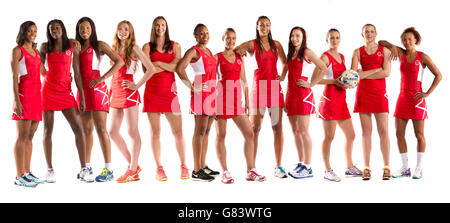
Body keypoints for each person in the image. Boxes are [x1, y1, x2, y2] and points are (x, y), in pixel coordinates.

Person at [379, 27, 442, 179]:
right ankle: (405, 168)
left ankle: (419, 168)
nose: (407, 42)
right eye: (404, 39)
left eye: (410, 39)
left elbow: (438, 75)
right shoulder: (401, 53)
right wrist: (393, 46)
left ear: (416, 40)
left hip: (416, 100)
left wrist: (426, 93)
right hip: (402, 99)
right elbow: (381, 42)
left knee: (419, 135)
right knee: (399, 134)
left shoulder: (423, 57)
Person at [39, 19, 92, 183]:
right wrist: (48, 75)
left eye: (57, 27)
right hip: (48, 91)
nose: (54, 30)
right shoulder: (44, 47)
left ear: (62, 28)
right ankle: (50, 170)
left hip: (66, 92)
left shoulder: (72, 45)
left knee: (79, 129)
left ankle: (84, 169)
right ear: (49, 31)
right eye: (51, 29)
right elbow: (40, 69)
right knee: (48, 131)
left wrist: (81, 96)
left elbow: (76, 73)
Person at [235, 16, 288, 178]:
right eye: (261, 25)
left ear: (270, 27)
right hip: (259, 88)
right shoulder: (253, 44)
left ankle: (278, 166)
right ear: (257, 27)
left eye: (267, 25)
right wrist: (241, 52)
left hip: (274, 87)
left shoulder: (276, 44)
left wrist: (282, 77)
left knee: (277, 128)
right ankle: (251, 168)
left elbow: (285, 63)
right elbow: (237, 49)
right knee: (254, 129)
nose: (264, 27)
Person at [75, 17, 124, 182]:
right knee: (86, 131)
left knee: (101, 129)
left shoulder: (99, 45)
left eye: (87, 27)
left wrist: (102, 78)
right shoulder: (76, 47)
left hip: (97, 91)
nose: (84, 31)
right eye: (81, 28)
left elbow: (119, 61)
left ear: (92, 28)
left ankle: (108, 169)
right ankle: (87, 167)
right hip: (82, 92)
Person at [214, 28, 266, 184]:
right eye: (228, 38)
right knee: (221, 135)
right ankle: (225, 172)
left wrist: (248, 101)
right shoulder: (217, 57)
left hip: (237, 102)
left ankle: (250, 170)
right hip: (221, 101)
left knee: (249, 133)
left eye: (233, 38)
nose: (230, 41)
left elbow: (244, 80)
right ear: (223, 38)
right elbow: (209, 79)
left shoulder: (239, 57)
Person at [142, 16, 189, 181]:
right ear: (153, 28)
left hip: (170, 93)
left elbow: (177, 67)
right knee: (155, 132)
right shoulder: (146, 47)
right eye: (157, 25)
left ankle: (184, 165)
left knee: (178, 132)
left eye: (162, 25)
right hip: (152, 92)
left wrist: (158, 64)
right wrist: (166, 65)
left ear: (166, 27)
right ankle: (159, 168)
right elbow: (147, 70)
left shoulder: (176, 46)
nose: (160, 28)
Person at [109, 20, 156, 183]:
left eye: (126, 29)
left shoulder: (134, 48)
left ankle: (132, 169)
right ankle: (133, 165)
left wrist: (136, 85)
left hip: (129, 91)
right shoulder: (114, 48)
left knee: (132, 131)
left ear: (130, 32)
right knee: (113, 132)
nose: (123, 31)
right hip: (115, 91)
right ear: (116, 31)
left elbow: (151, 68)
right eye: (120, 29)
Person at [279, 26, 328, 179]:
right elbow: (286, 73)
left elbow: (323, 67)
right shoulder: (290, 53)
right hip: (291, 95)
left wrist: (311, 83)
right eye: (292, 35)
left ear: (303, 37)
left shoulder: (306, 52)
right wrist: (280, 79)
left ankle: (308, 166)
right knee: (295, 131)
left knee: (303, 130)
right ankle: (301, 163)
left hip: (303, 95)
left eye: (298, 35)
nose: (295, 38)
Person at [316, 29, 363, 182]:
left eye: (337, 38)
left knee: (351, 135)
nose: (334, 40)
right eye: (331, 38)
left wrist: (350, 82)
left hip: (341, 101)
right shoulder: (325, 57)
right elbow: (315, 79)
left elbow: (344, 78)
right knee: (329, 137)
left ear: (340, 39)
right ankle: (327, 170)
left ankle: (349, 167)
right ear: (326, 40)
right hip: (329, 101)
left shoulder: (342, 57)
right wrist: (334, 82)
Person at [176, 24, 219, 182]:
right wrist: (192, 87)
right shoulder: (194, 51)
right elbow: (180, 68)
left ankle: (202, 165)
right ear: (195, 36)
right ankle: (196, 170)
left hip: (212, 94)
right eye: (201, 33)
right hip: (201, 93)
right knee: (199, 131)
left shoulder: (209, 51)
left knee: (207, 131)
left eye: (207, 33)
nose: (205, 36)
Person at [351, 24, 392, 180]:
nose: (369, 34)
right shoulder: (357, 52)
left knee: (384, 132)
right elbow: (353, 77)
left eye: (371, 31)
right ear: (362, 34)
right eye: (366, 32)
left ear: (376, 33)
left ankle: (387, 167)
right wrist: (376, 70)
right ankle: (366, 167)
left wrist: (364, 74)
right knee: (366, 132)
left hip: (380, 93)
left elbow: (386, 72)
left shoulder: (385, 50)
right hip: (363, 94)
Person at [11, 21, 46, 187]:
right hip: (24, 95)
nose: (33, 33)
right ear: (23, 32)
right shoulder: (18, 50)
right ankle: (19, 176)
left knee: (30, 136)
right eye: (30, 31)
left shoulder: (37, 52)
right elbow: (14, 77)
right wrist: (16, 100)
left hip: (36, 97)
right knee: (22, 136)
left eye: (35, 31)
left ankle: (26, 172)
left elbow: (44, 73)